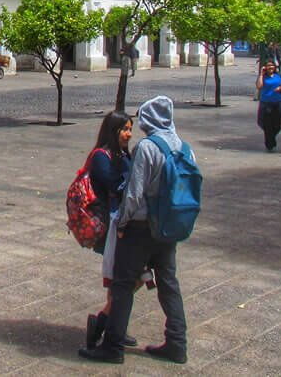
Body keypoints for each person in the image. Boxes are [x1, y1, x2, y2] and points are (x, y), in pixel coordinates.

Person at [80, 95, 189, 365]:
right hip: (168, 225)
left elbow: (134, 192)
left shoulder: (148, 148)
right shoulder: (183, 147)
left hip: (140, 227)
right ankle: (177, 342)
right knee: (168, 284)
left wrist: (123, 224)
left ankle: (112, 346)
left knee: (123, 285)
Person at [83, 111, 140, 351]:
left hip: (124, 224)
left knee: (125, 279)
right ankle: (104, 323)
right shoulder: (101, 157)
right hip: (111, 226)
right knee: (125, 279)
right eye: (125, 129)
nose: (129, 134)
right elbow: (115, 185)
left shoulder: (122, 154)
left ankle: (112, 323)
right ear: (113, 130)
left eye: (130, 129)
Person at [256, 62, 281, 152]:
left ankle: (272, 137)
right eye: (268, 65)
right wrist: (261, 74)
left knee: (279, 123)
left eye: (272, 65)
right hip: (266, 103)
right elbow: (259, 86)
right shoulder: (263, 76)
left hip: (278, 102)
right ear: (265, 67)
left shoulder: (279, 76)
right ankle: (269, 143)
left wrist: (280, 88)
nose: (270, 67)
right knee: (267, 125)